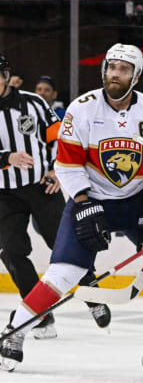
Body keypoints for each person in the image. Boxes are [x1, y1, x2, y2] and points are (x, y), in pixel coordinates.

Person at [0, 43, 143, 372]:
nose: (114, 74)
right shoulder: (83, 108)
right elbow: (68, 163)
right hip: (91, 199)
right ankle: (14, 330)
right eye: (110, 67)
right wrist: (83, 202)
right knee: (63, 273)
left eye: (122, 69)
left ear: (136, 75)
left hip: (137, 203)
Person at [0, 54, 64, 341]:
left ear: (5, 75)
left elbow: (57, 137)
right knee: (12, 252)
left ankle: (94, 296)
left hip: (41, 185)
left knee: (63, 243)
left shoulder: (33, 102)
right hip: (4, 192)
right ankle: (41, 315)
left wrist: (55, 169)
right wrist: (6, 157)